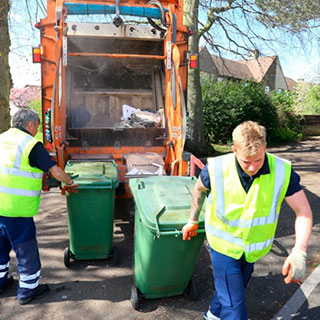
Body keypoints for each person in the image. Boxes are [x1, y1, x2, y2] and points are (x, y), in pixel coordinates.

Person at [182, 121, 313, 320]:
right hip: (223, 247)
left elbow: (303, 211)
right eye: (246, 162)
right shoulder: (217, 168)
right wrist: (192, 219)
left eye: (258, 160)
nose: (252, 167)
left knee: (232, 291)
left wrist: (300, 251)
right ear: (234, 150)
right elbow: (199, 189)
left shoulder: (282, 171)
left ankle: (212, 315)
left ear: (265, 147)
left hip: (252, 249)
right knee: (235, 310)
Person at [0, 108, 74, 305]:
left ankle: (0, 283)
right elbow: (55, 172)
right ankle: (27, 291)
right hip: (16, 211)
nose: (36, 131)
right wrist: (70, 182)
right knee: (26, 252)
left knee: (0, 248)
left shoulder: (1, 138)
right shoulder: (30, 145)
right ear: (30, 125)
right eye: (37, 127)